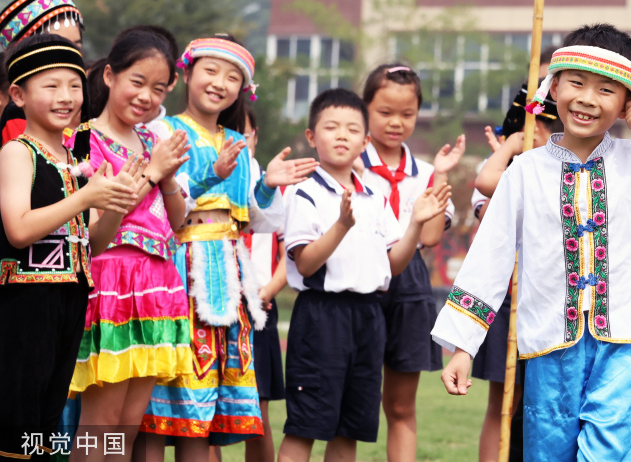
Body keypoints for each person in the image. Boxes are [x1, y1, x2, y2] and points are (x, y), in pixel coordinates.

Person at [434, 23, 631, 462]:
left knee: (610, 453)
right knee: (548, 453)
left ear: (627, 104)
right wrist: (464, 346)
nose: (587, 99)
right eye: (576, 83)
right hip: (548, 345)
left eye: (606, 90)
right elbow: (490, 259)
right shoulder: (524, 171)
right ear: (553, 86)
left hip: (626, 345)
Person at [138, 36, 318, 460]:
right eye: (211, 71)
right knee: (159, 404)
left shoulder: (238, 143)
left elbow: (257, 218)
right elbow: (157, 206)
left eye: (232, 77)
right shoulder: (163, 131)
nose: (219, 83)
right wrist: (213, 176)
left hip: (228, 277)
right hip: (178, 274)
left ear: (243, 89)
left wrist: (268, 184)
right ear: (187, 74)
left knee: (202, 414)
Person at [277, 88, 452, 462]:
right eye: (331, 127)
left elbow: (394, 265)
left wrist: (416, 225)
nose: (342, 135)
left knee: (349, 429)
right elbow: (306, 263)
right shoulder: (303, 192)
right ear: (311, 136)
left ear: (365, 140)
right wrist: (341, 225)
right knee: (306, 425)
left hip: (369, 317)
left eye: (352, 129)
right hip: (322, 317)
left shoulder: (374, 193)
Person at [0, 34, 140, 458]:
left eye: (75, 85)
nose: (67, 97)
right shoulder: (16, 153)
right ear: (18, 95)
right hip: (25, 301)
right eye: (52, 86)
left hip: (69, 297)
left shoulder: (74, 158)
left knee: (45, 420)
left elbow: (94, 243)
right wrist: (84, 197)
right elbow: (19, 230)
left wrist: (116, 202)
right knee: (16, 418)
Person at [69, 30, 193, 462]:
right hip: (113, 285)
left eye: (158, 89)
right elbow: (97, 229)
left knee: (126, 425)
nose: (146, 96)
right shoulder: (83, 142)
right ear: (109, 75)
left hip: (157, 285)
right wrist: (153, 173)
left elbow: (177, 224)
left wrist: (169, 175)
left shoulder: (150, 143)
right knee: (99, 423)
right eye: (137, 82)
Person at [358, 64, 464, 462]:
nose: (396, 123)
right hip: (360, 282)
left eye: (407, 114)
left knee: (401, 407)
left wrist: (440, 175)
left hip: (409, 286)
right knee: (349, 402)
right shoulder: (348, 164)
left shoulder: (425, 172)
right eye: (385, 112)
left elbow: (433, 237)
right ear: (365, 107)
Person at [472, 82, 562, 462]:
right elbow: (484, 186)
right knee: (504, 398)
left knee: (548, 400)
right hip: (509, 298)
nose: (541, 133)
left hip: (554, 300)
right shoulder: (506, 168)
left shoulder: (567, 167)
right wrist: (512, 146)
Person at [239, 104, 287, 462]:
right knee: (205, 421)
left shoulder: (271, 183)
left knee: (257, 415)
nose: (236, 141)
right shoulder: (200, 179)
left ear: (254, 136)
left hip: (260, 311)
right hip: (210, 307)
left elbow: (291, 253)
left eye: (243, 132)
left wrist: (267, 291)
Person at [0, 0, 86, 147]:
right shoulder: (19, 117)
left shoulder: (86, 102)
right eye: (57, 46)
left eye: (76, 47)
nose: (69, 55)